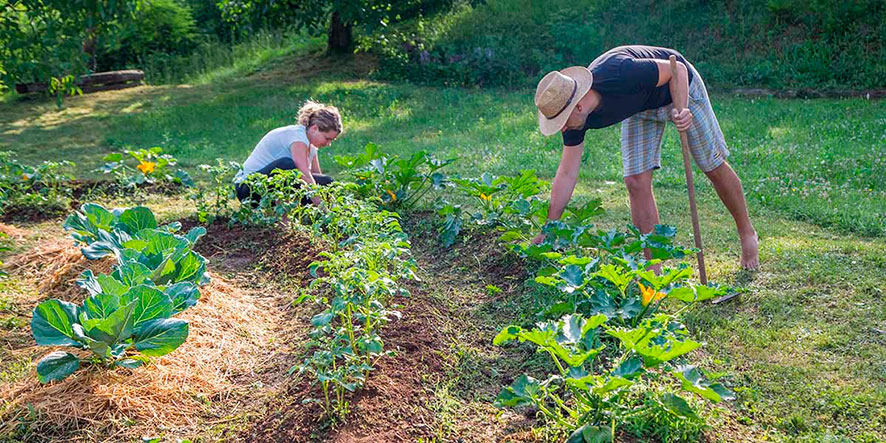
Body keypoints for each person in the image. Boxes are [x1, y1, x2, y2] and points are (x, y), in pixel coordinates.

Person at [532, 45, 759, 269]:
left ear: (579, 106)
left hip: (678, 88)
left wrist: (683, 109)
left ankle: (747, 232)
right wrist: (549, 228)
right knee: (636, 181)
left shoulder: (620, 73)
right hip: (639, 108)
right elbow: (567, 172)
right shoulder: (575, 119)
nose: (562, 129)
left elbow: (677, 69)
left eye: (561, 122)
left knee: (712, 165)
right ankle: (654, 270)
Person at [234, 100, 342, 206]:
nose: (328, 144)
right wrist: (323, 208)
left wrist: (331, 204)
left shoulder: (311, 143)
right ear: (314, 129)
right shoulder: (298, 138)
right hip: (248, 189)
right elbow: (305, 175)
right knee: (288, 166)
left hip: (270, 186)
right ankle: (284, 221)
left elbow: (317, 177)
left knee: (327, 181)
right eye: (327, 138)